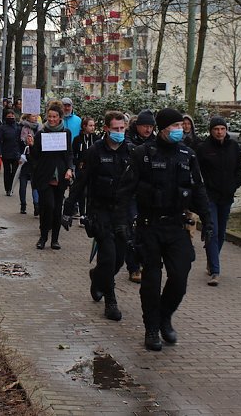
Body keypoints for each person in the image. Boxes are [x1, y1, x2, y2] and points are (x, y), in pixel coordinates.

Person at [117, 107, 212, 351]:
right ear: (163, 129)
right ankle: (151, 328)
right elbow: (125, 191)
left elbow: (198, 189)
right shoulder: (143, 154)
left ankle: (165, 316)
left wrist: (208, 220)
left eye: (181, 126)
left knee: (180, 276)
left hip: (176, 225)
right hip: (149, 225)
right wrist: (122, 223)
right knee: (151, 280)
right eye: (175, 126)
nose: (181, 130)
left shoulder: (187, 155)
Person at [63, 111, 132, 321]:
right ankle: (111, 301)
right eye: (115, 129)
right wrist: (68, 208)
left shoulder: (131, 151)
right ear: (106, 129)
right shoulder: (95, 151)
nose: (119, 132)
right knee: (108, 257)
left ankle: (97, 276)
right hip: (100, 211)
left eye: (122, 129)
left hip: (122, 212)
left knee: (119, 259)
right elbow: (81, 181)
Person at [194, 116, 241, 286]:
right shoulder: (204, 148)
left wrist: (234, 184)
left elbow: (240, 167)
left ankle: (212, 259)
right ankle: (215, 271)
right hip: (210, 197)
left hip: (227, 196)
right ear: (211, 131)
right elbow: (196, 171)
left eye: (222, 129)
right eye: (216, 129)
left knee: (221, 232)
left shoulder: (233, 146)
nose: (219, 132)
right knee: (212, 231)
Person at [27, 103, 73, 250]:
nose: (52, 119)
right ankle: (43, 237)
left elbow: (69, 154)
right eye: (50, 116)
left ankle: (55, 240)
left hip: (60, 176)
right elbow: (35, 157)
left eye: (55, 117)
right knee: (48, 206)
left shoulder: (66, 133)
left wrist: (69, 169)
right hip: (44, 176)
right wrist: (32, 146)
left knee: (57, 208)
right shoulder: (41, 133)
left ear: (60, 118)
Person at [124, 109, 157, 284]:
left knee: (147, 231)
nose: (148, 129)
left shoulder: (156, 143)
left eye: (151, 126)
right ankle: (133, 267)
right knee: (132, 228)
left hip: (149, 194)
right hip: (131, 193)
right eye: (145, 126)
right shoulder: (128, 141)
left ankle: (144, 262)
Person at [71, 116, 98, 216]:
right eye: (90, 125)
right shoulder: (77, 139)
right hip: (81, 169)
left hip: (93, 168)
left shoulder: (96, 139)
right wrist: (78, 163)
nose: (92, 128)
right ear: (84, 126)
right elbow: (73, 154)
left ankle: (90, 213)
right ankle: (82, 213)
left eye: (93, 125)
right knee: (81, 191)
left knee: (91, 191)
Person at [0, 108, 22, 197]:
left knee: (15, 172)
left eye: (12, 116)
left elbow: (20, 140)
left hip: (16, 153)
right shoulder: (2, 127)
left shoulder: (18, 127)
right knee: (7, 171)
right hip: (6, 152)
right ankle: (7, 188)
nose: (11, 118)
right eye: (9, 116)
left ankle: (12, 187)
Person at [18, 113, 41, 215]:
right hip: (24, 159)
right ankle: (23, 204)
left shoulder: (40, 128)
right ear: (27, 117)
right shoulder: (22, 128)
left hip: (35, 160)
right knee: (23, 183)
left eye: (36, 116)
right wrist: (18, 156)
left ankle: (36, 205)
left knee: (35, 183)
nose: (35, 118)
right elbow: (18, 143)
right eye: (33, 116)